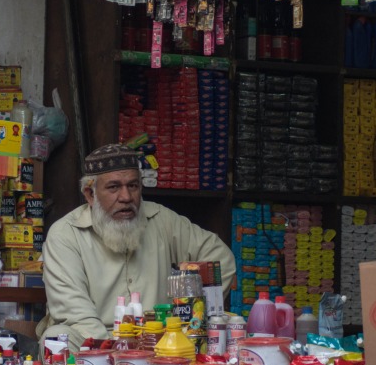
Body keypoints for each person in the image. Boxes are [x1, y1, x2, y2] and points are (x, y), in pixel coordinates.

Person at [36, 143, 237, 351]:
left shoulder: (162, 220)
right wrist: (119, 352)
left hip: (160, 338)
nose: (126, 197)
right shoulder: (66, 235)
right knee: (56, 340)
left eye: (132, 186)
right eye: (113, 187)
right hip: (96, 340)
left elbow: (220, 257)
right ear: (90, 194)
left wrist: (191, 312)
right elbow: (76, 313)